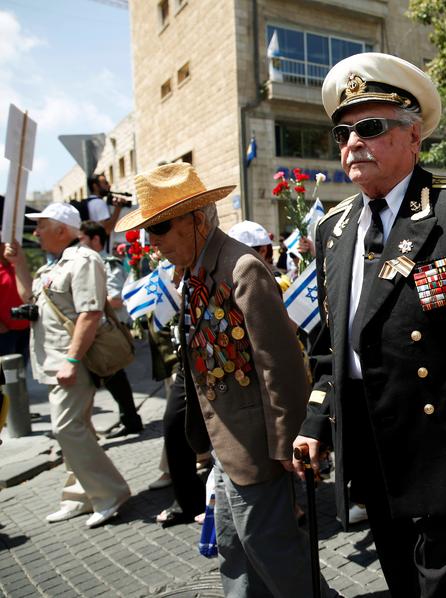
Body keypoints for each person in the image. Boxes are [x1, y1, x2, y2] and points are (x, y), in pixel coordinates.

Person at [293, 53, 446, 597]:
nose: (353, 143)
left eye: (371, 128)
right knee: (402, 583)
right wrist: (316, 422)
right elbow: (331, 345)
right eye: (343, 132)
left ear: (414, 138)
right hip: (369, 443)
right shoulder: (334, 230)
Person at [114, 163, 325, 597]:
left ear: (195, 218)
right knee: (233, 548)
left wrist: (288, 443)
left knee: (271, 547)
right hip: (223, 440)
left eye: (160, 228)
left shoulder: (241, 268)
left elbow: (279, 363)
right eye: (148, 232)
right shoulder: (195, 271)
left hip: (256, 443)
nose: (152, 243)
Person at [6, 203, 131, 527]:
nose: (35, 233)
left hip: (72, 362)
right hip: (54, 362)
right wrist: (18, 263)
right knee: (78, 429)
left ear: (62, 229)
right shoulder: (54, 265)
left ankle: (109, 492)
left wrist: (73, 360)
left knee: (67, 428)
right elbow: (27, 299)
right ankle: (80, 496)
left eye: (41, 226)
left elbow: (90, 314)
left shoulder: (84, 260)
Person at [79, 220, 144, 437]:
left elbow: (116, 299)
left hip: (111, 329)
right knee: (111, 378)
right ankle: (128, 418)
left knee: (114, 375)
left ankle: (130, 419)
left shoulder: (108, 264)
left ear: (96, 240)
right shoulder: (88, 264)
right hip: (102, 328)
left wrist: (87, 303)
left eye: (82, 239)